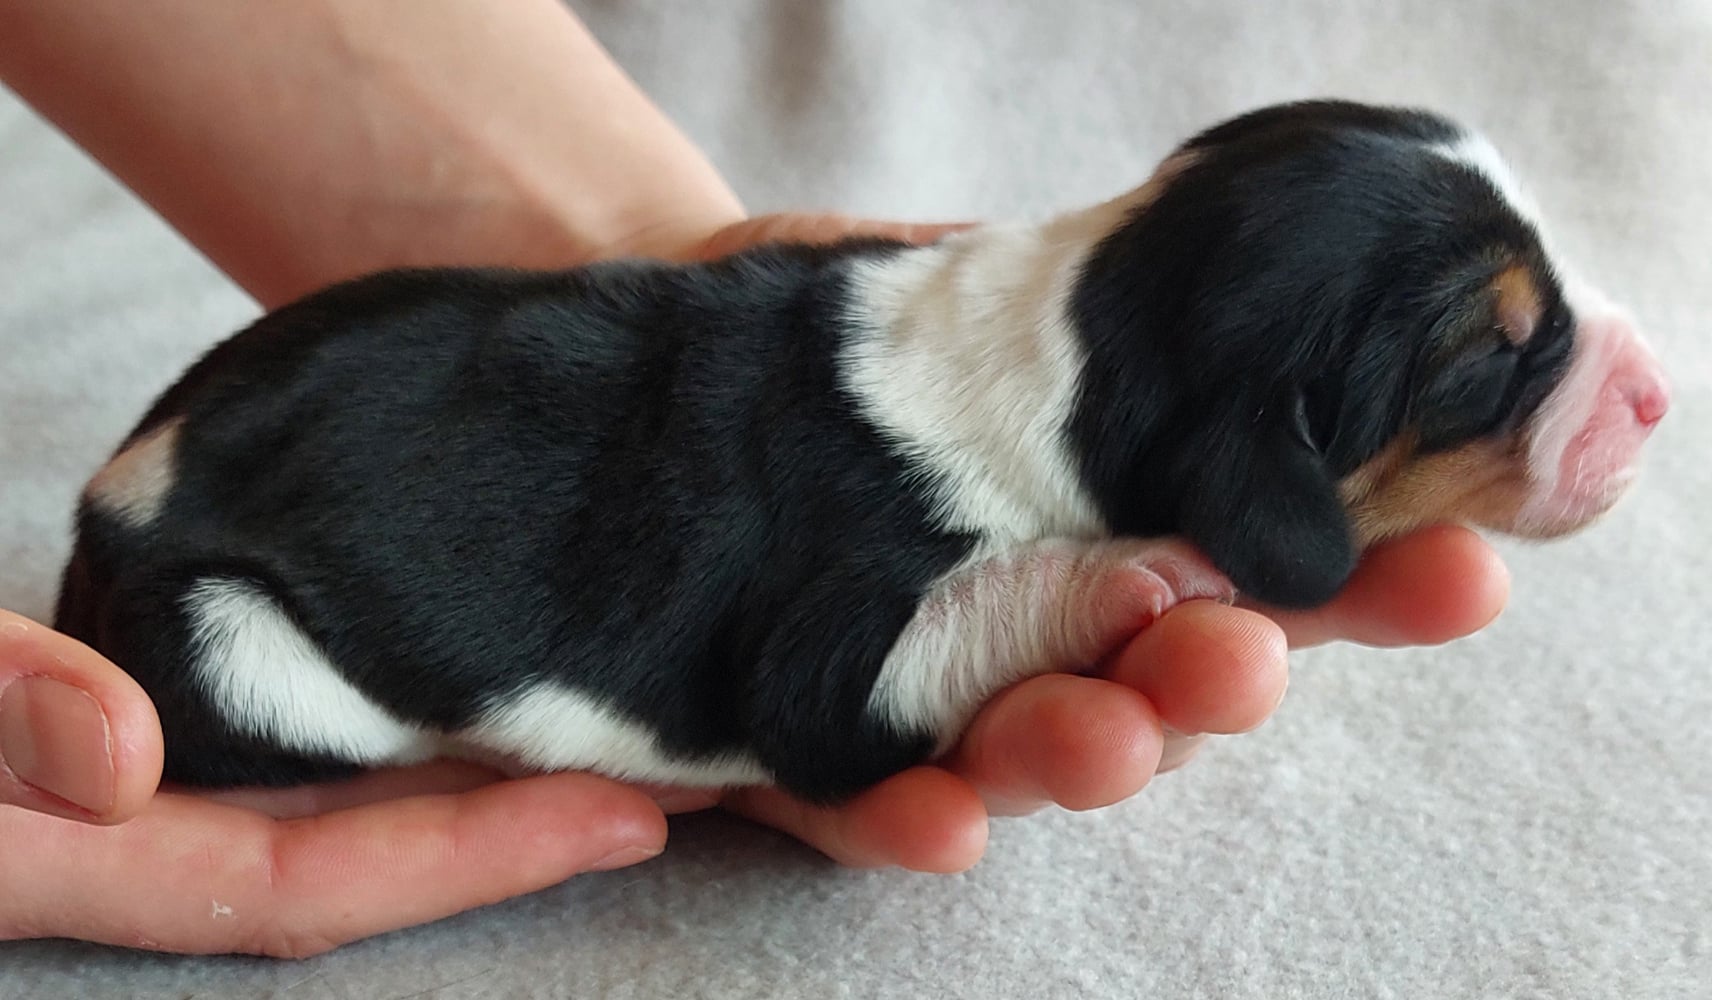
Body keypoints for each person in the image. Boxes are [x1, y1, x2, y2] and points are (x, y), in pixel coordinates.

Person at [0, 1, 1509, 957]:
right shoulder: (906, 455)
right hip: (219, 595)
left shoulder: (882, 335)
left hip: (304, 429)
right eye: (1493, 360)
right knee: (229, 647)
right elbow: (819, 710)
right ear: (1253, 466)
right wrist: (1044, 605)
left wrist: (635, 233)